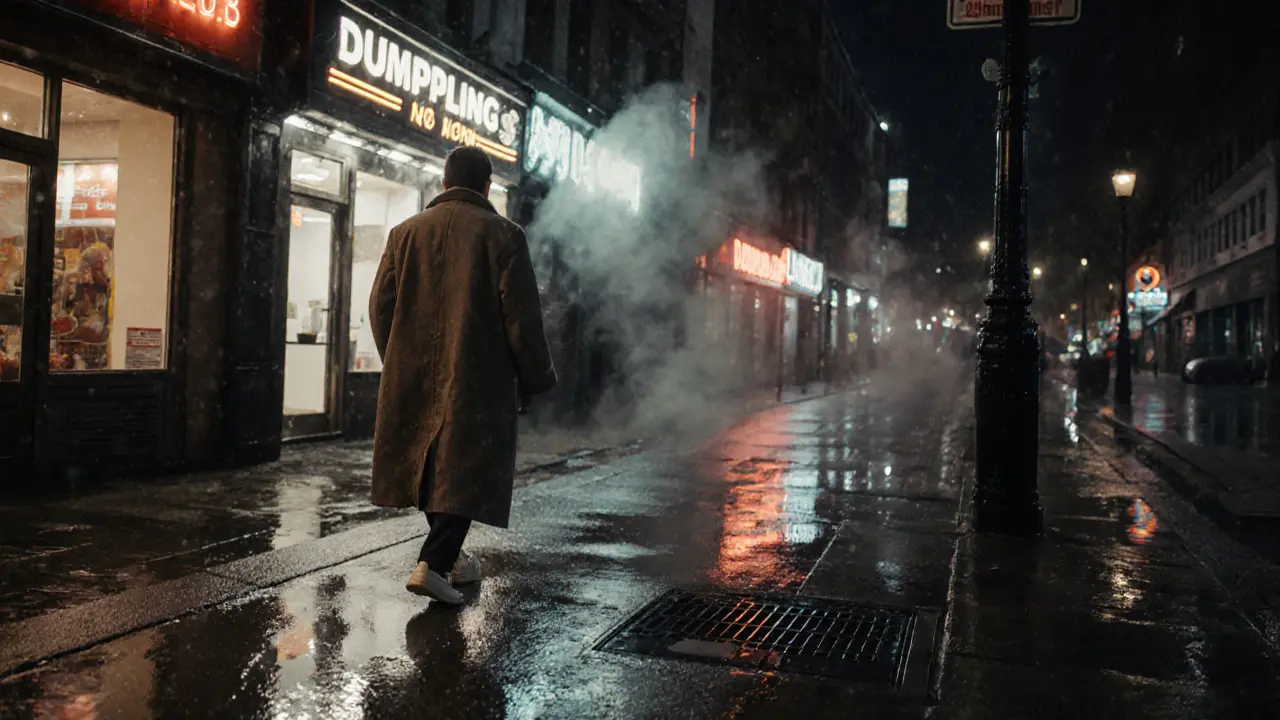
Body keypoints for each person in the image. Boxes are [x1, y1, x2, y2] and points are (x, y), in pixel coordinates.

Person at [369, 146, 557, 605]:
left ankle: (451, 558)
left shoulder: (405, 233)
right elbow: (522, 319)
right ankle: (433, 565)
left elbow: (380, 307)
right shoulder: (504, 236)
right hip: (477, 378)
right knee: (465, 468)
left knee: (431, 465)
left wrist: (397, 358)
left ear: (443, 181)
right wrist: (535, 377)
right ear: (488, 186)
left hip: (414, 373)